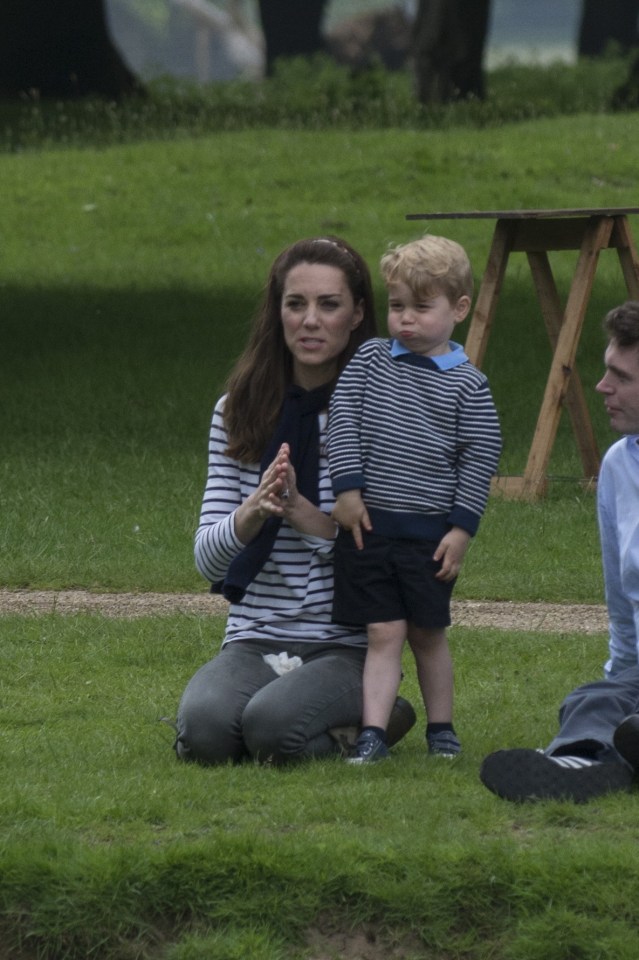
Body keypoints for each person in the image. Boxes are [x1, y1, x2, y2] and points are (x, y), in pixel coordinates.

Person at [174, 236, 416, 766]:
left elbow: (394, 559)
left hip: (348, 643)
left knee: (271, 731)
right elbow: (205, 559)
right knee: (205, 735)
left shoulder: (383, 413)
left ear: (356, 315)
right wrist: (252, 513)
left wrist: (313, 521)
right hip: (255, 635)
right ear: (276, 312)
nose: (310, 320)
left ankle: (379, 711)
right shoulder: (237, 412)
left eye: (328, 305)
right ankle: (339, 719)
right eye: (296, 304)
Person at [326, 234, 502, 764]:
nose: (406, 319)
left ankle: (441, 728)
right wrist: (348, 490)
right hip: (369, 528)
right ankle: (374, 732)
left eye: (422, 308)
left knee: (428, 632)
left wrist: (461, 530)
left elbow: (480, 456)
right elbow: (342, 422)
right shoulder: (370, 360)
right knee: (382, 631)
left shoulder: (469, 385)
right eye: (398, 306)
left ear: (460, 309)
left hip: (429, 537)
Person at [480, 300, 639, 803]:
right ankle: (577, 764)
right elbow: (623, 605)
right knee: (592, 700)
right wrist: (621, 683)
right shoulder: (619, 466)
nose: (601, 386)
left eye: (621, 376)